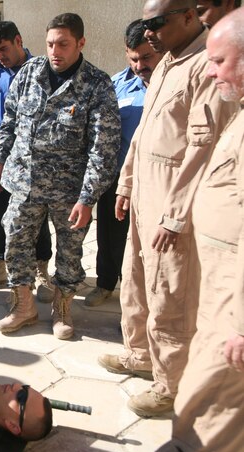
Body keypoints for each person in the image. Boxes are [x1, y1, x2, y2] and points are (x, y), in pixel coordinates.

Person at [98, 0, 238, 418]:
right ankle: (139, 354)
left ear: (189, 17)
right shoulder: (165, 63)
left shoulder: (205, 66)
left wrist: (175, 214)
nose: (150, 33)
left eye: (157, 23)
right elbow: (143, 134)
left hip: (173, 200)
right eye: (146, 25)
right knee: (135, 278)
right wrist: (125, 185)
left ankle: (171, 385)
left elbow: (203, 148)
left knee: (169, 294)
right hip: (144, 193)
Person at [0, 13, 120, 340]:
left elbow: (103, 147)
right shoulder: (29, 73)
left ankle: (62, 309)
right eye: (50, 43)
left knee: (70, 252)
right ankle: (23, 306)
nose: (55, 51)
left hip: (70, 191)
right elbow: (9, 121)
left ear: (80, 43)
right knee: (16, 241)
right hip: (24, 182)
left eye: (63, 44)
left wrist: (88, 196)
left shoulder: (97, 84)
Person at [154, 9, 244, 452]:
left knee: (202, 418)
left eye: (219, 61)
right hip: (222, 296)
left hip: (235, 312)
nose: (209, 72)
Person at [0, 21, 54, 303]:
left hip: (30, 155)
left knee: (37, 215)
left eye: (3, 49)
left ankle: (41, 270)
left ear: (18, 40)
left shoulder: (44, 70)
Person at [85, 21, 162, 307]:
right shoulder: (117, 84)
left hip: (156, 180)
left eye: (146, 57)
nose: (140, 65)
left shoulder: (171, 83)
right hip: (117, 177)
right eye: (133, 58)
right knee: (109, 234)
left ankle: (145, 296)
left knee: (147, 241)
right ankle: (105, 284)